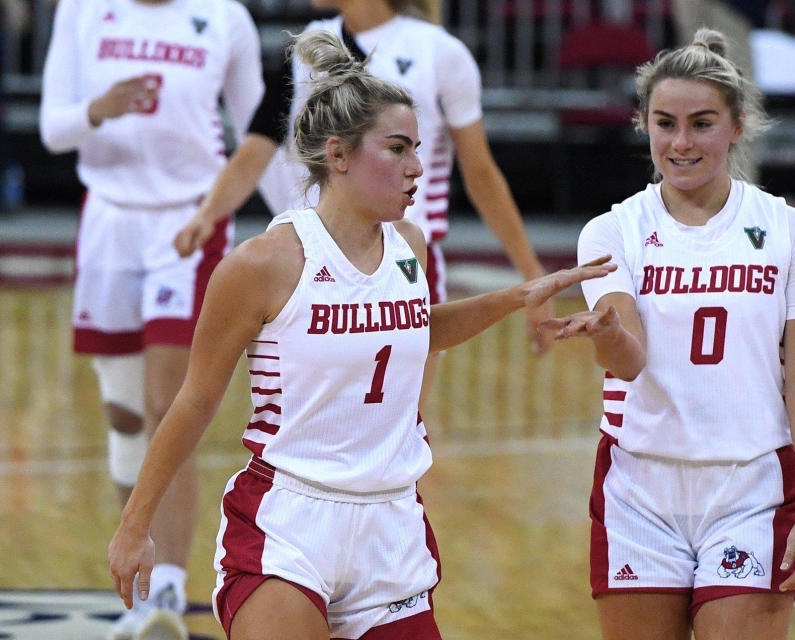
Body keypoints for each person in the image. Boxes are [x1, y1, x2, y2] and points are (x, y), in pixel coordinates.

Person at [107, 30, 615, 640]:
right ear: (338, 154)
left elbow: (419, 330)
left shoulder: (410, 247)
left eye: (418, 150)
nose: (418, 168)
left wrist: (515, 297)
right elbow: (193, 401)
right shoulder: (262, 264)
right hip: (288, 522)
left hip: (391, 523)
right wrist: (136, 525)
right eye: (398, 149)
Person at [541, 28, 795, 640]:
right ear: (642, 124)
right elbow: (629, 361)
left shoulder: (792, 232)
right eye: (664, 123)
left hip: (753, 487)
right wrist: (607, 331)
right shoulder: (611, 231)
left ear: (737, 124)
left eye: (702, 123)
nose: (680, 142)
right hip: (638, 490)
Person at [172, 0, 555, 407]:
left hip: (404, 261)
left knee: (399, 425)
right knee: (308, 419)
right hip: (312, 262)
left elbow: (481, 175)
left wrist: (533, 275)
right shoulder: (307, 47)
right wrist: (208, 214)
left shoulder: (440, 52)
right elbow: (256, 147)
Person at [38, 0, 263, 637]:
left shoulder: (224, 18)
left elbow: (261, 139)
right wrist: (98, 109)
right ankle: (139, 577)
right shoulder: (82, 10)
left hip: (187, 223)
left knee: (170, 403)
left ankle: (166, 589)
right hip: (109, 220)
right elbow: (54, 130)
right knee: (124, 413)